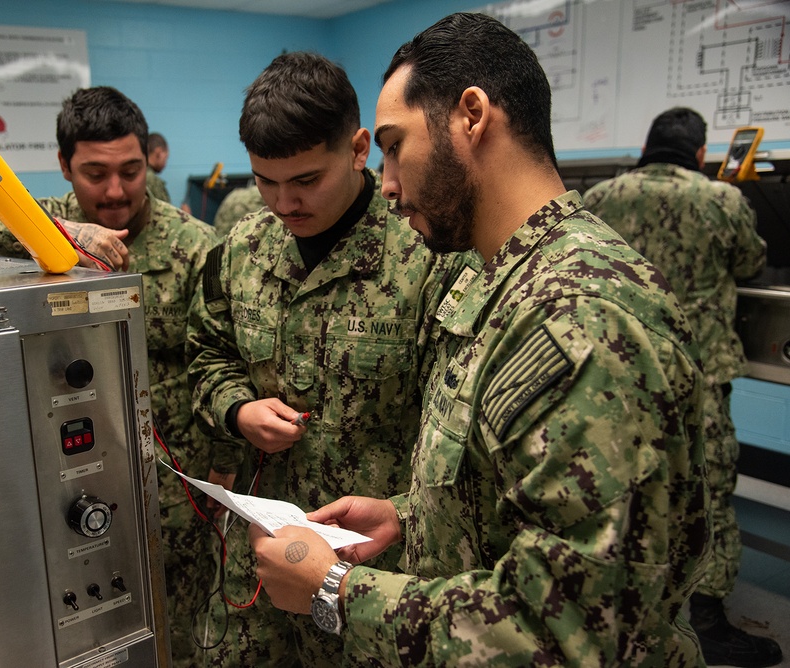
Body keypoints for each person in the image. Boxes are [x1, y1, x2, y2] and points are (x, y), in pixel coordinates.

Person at [248, 13, 712, 667]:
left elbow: (568, 632)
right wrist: (411, 517)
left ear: (471, 115)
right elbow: (520, 493)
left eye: (393, 145)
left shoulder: (576, 317)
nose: (384, 183)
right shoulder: (507, 280)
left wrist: (335, 589)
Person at [0, 86, 218, 668]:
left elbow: (215, 360)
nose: (115, 191)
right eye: (95, 173)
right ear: (63, 166)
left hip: (173, 499)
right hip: (63, 483)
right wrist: (60, 235)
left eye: (131, 171)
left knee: (176, 641)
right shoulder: (37, 222)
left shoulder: (193, 247)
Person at [186, 52, 464, 667]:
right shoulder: (242, 251)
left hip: (369, 568)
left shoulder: (425, 255)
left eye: (306, 180)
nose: (283, 203)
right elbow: (205, 354)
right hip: (258, 553)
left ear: (359, 148)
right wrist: (237, 409)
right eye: (264, 180)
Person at [583, 108, 777, 667]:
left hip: (614, 374)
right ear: (698, 154)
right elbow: (751, 262)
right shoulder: (721, 200)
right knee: (706, 492)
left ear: (647, 147)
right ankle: (709, 619)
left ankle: (620, 599)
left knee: (621, 485)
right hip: (697, 378)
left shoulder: (602, 198)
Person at [147, 131, 172, 203]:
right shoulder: (153, 180)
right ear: (159, 152)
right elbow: (163, 213)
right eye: (166, 157)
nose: (165, 163)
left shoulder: (138, 174)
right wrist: (184, 214)